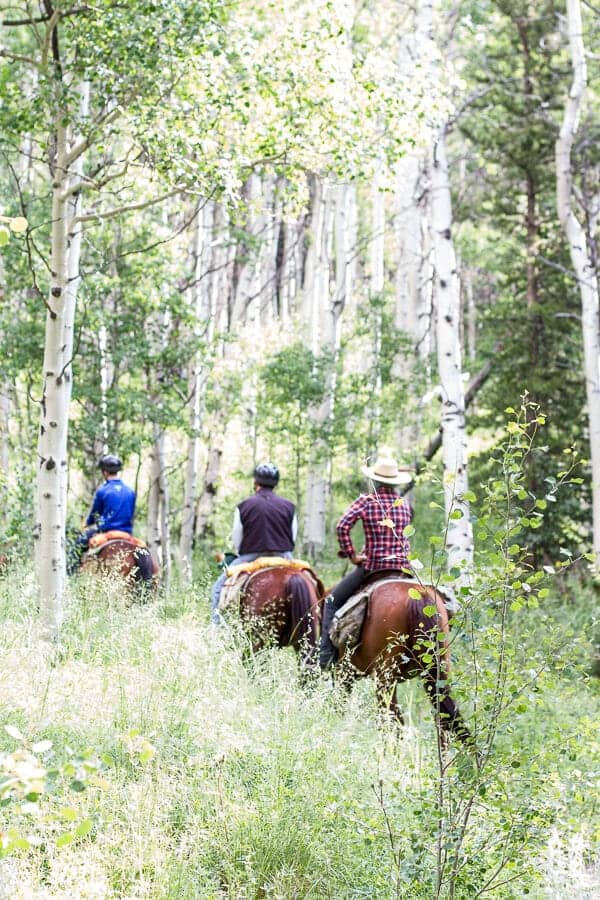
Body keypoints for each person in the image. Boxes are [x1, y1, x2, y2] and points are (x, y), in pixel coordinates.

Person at [320, 451, 414, 670]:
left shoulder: (367, 501)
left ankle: (325, 657)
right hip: (403, 569)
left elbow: (342, 526)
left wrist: (352, 554)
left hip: (373, 568)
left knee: (331, 601)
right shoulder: (404, 504)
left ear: (375, 480)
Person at [210, 463, 297, 624]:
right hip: (283, 556)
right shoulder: (289, 506)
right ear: (276, 483)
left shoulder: (244, 506)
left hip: (251, 556)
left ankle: (216, 629)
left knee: (217, 589)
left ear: (255, 482)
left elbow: (237, 538)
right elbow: (293, 537)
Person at [67, 454, 136, 574]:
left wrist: (87, 524)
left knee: (77, 546)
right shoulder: (130, 491)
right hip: (126, 533)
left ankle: (71, 575)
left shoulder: (103, 491)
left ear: (104, 472)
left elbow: (95, 515)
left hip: (107, 533)